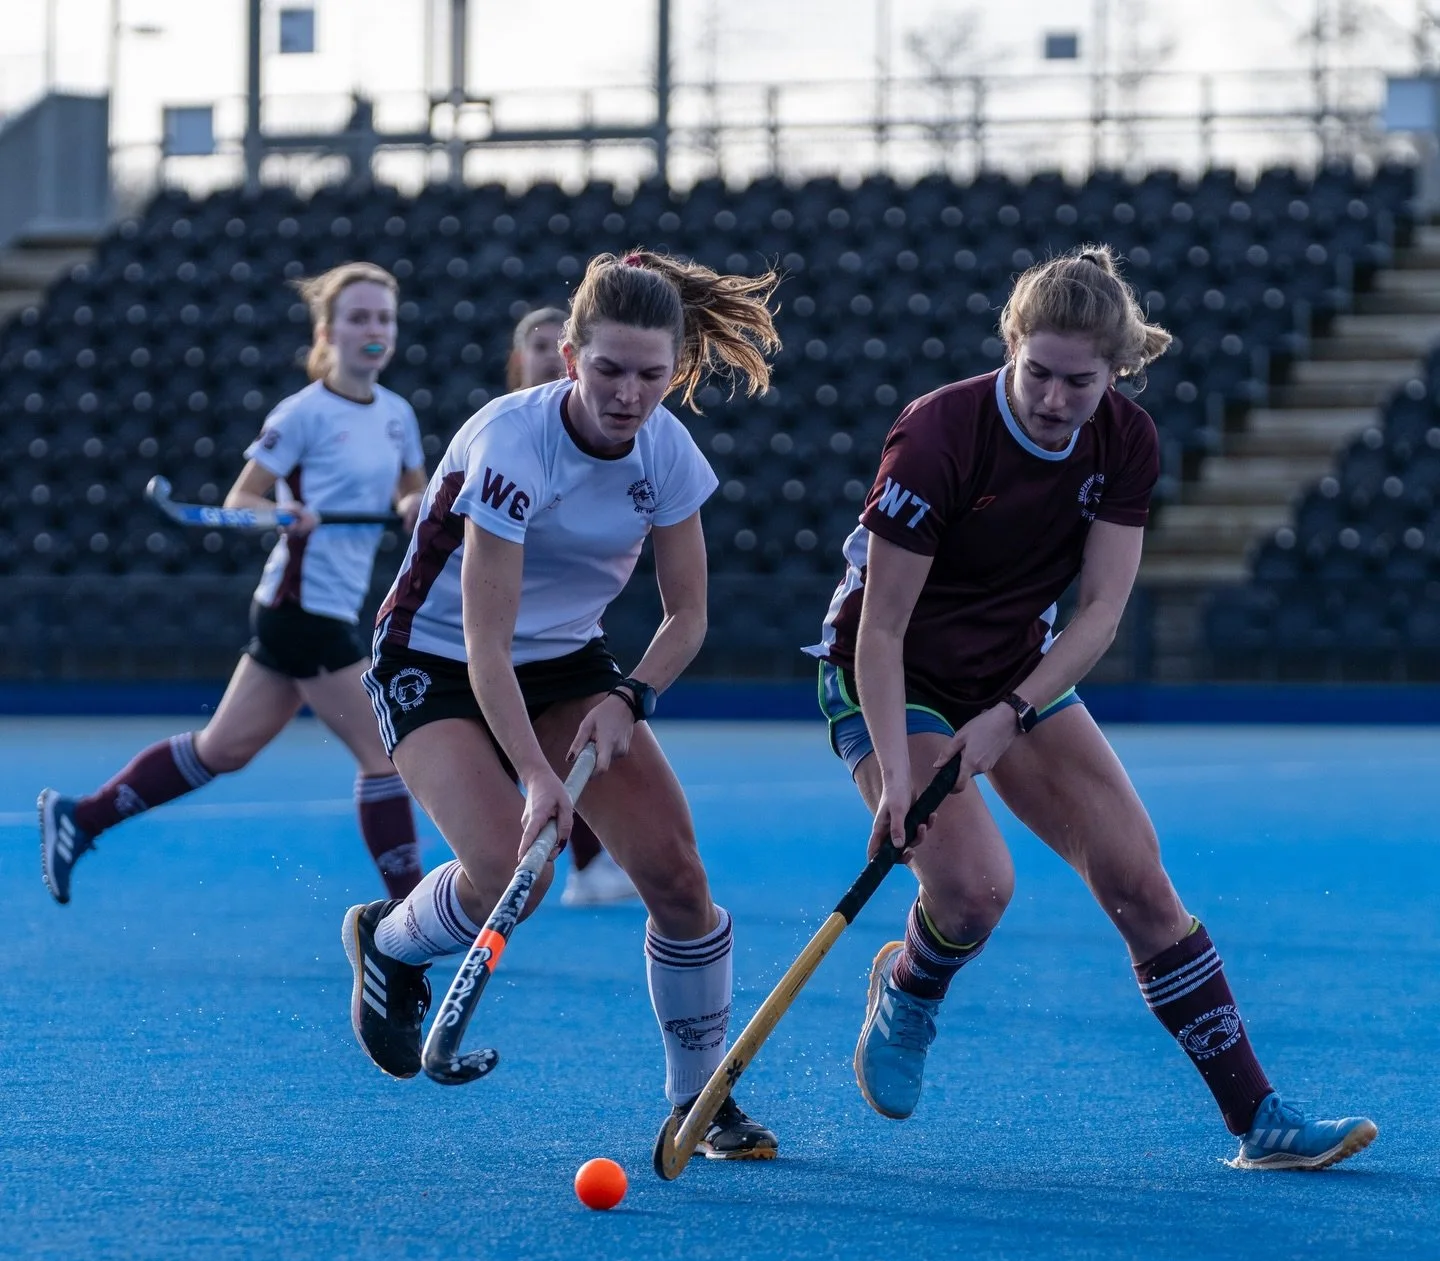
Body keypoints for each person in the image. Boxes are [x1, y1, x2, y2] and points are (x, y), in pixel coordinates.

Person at [806, 247, 1377, 1172]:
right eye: (1039, 372)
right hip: (890, 672)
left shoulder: (1126, 440)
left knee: (1140, 883)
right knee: (975, 890)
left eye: (1082, 381)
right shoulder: (938, 435)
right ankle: (910, 985)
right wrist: (898, 772)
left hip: (1015, 672)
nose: (1056, 399)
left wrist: (1011, 714)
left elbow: (1102, 610)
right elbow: (881, 629)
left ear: (1116, 373)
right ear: (1011, 346)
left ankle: (1258, 1120)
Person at [345, 250, 782, 1159]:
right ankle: (389, 942)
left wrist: (633, 696)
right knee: (518, 867)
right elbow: (485, 646)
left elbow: (688, 614)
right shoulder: (513, 445)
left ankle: (699, 1101)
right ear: (571, 354)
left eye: (652, 375)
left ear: (677, 369)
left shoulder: (668, 452)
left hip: (572, 665)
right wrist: (542, 777)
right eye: (610, 369)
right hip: (434, 660)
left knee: (679, 882)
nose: (629, 394)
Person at [39, 261, 428, 907]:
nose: (373, 329)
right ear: (327, 331)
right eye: (358, 317)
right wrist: (279, 513)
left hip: (321, 606)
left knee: (223, 748)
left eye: (383, 318)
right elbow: (242, 497)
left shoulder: (397, 414)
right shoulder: (301, 414)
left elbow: (412, 484)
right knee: (384, 754)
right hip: (302, 607)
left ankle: (82, 818)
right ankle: (415, 914)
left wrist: (413, 501)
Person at [506, 305, 639, 908]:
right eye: (533, 346)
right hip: (488, 639)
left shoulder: (613, 440)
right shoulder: (500, 435)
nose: (543, 357)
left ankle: (586, 865)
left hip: (558, 637)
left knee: (571, 744)